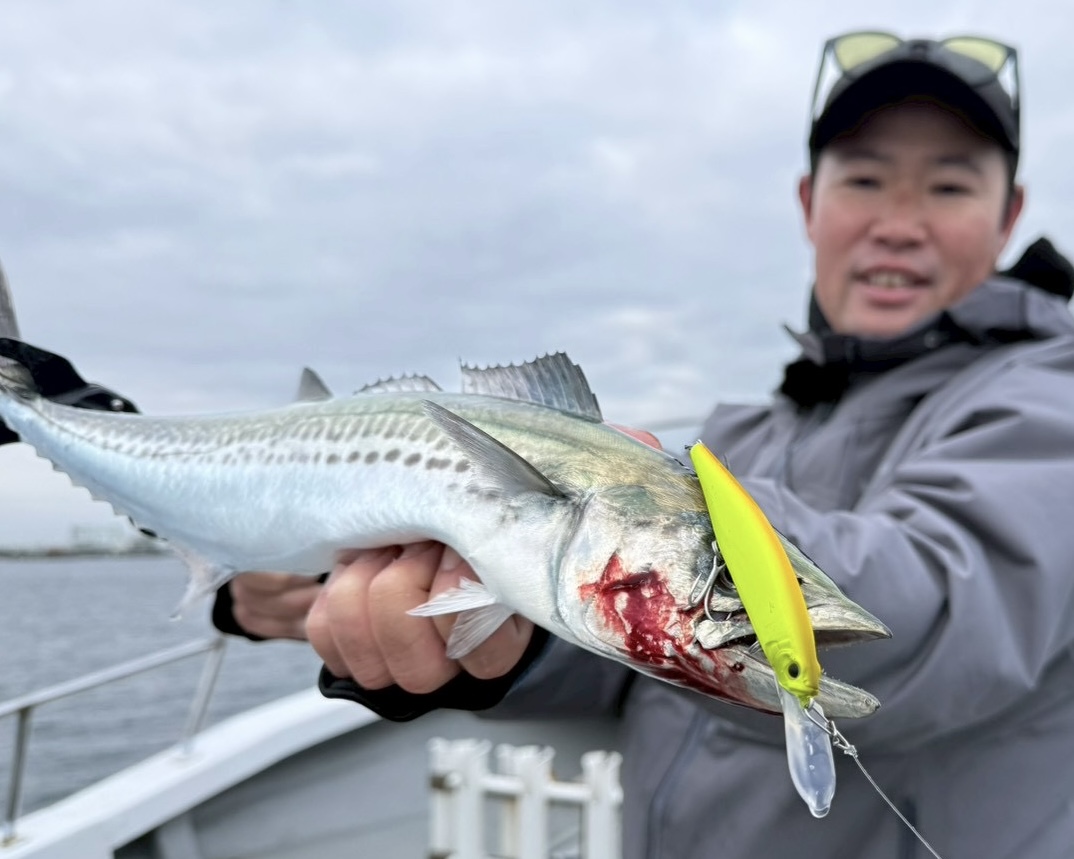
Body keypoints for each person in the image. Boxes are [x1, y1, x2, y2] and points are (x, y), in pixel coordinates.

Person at [215, 32, 1074, 858]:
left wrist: (630, 531)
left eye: (949, 186)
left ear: (1010, 216)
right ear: (809, 204)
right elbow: (629, 664)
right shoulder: (750, 431)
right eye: (865, 178)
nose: (899, 223)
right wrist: (500, 616)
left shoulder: (1051, 397)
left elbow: (944, 620)